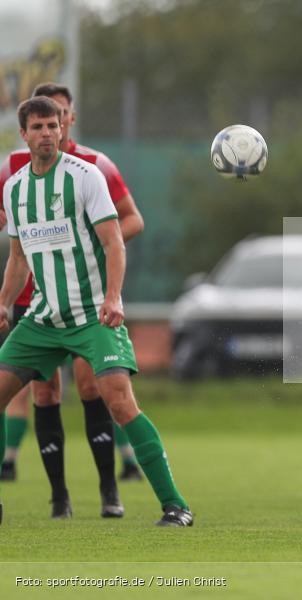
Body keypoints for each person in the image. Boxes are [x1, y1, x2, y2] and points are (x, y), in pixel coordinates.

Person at [0, 96, 192, 527]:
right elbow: (17, 256)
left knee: (120, 401)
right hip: (43, 319)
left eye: (54, 125)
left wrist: (113, 297)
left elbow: (113, 242)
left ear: (63, 128)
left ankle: (175, 505)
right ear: (25, 135)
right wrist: (3, 301)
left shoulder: (86, 177)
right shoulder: (15, 188)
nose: (48, 133)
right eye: (39, 127)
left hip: (92, 315)